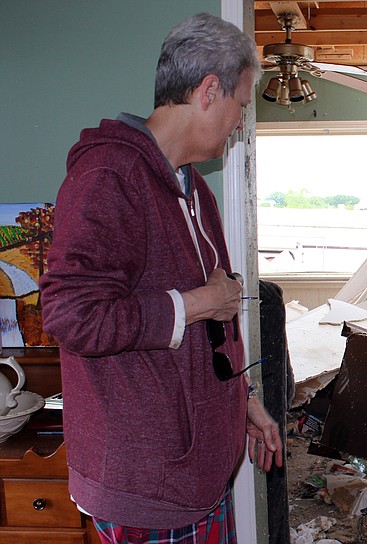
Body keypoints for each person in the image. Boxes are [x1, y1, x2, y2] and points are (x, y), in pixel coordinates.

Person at [39, 13, 282, 544]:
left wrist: (242, 400)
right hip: (148, 490)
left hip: (198, 478)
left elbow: (210, 330)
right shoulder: (109, 176)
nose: (241, 122)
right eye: (242, 104)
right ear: (208, 91)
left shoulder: (196, 191)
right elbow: (71, 315)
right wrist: (195, 303)